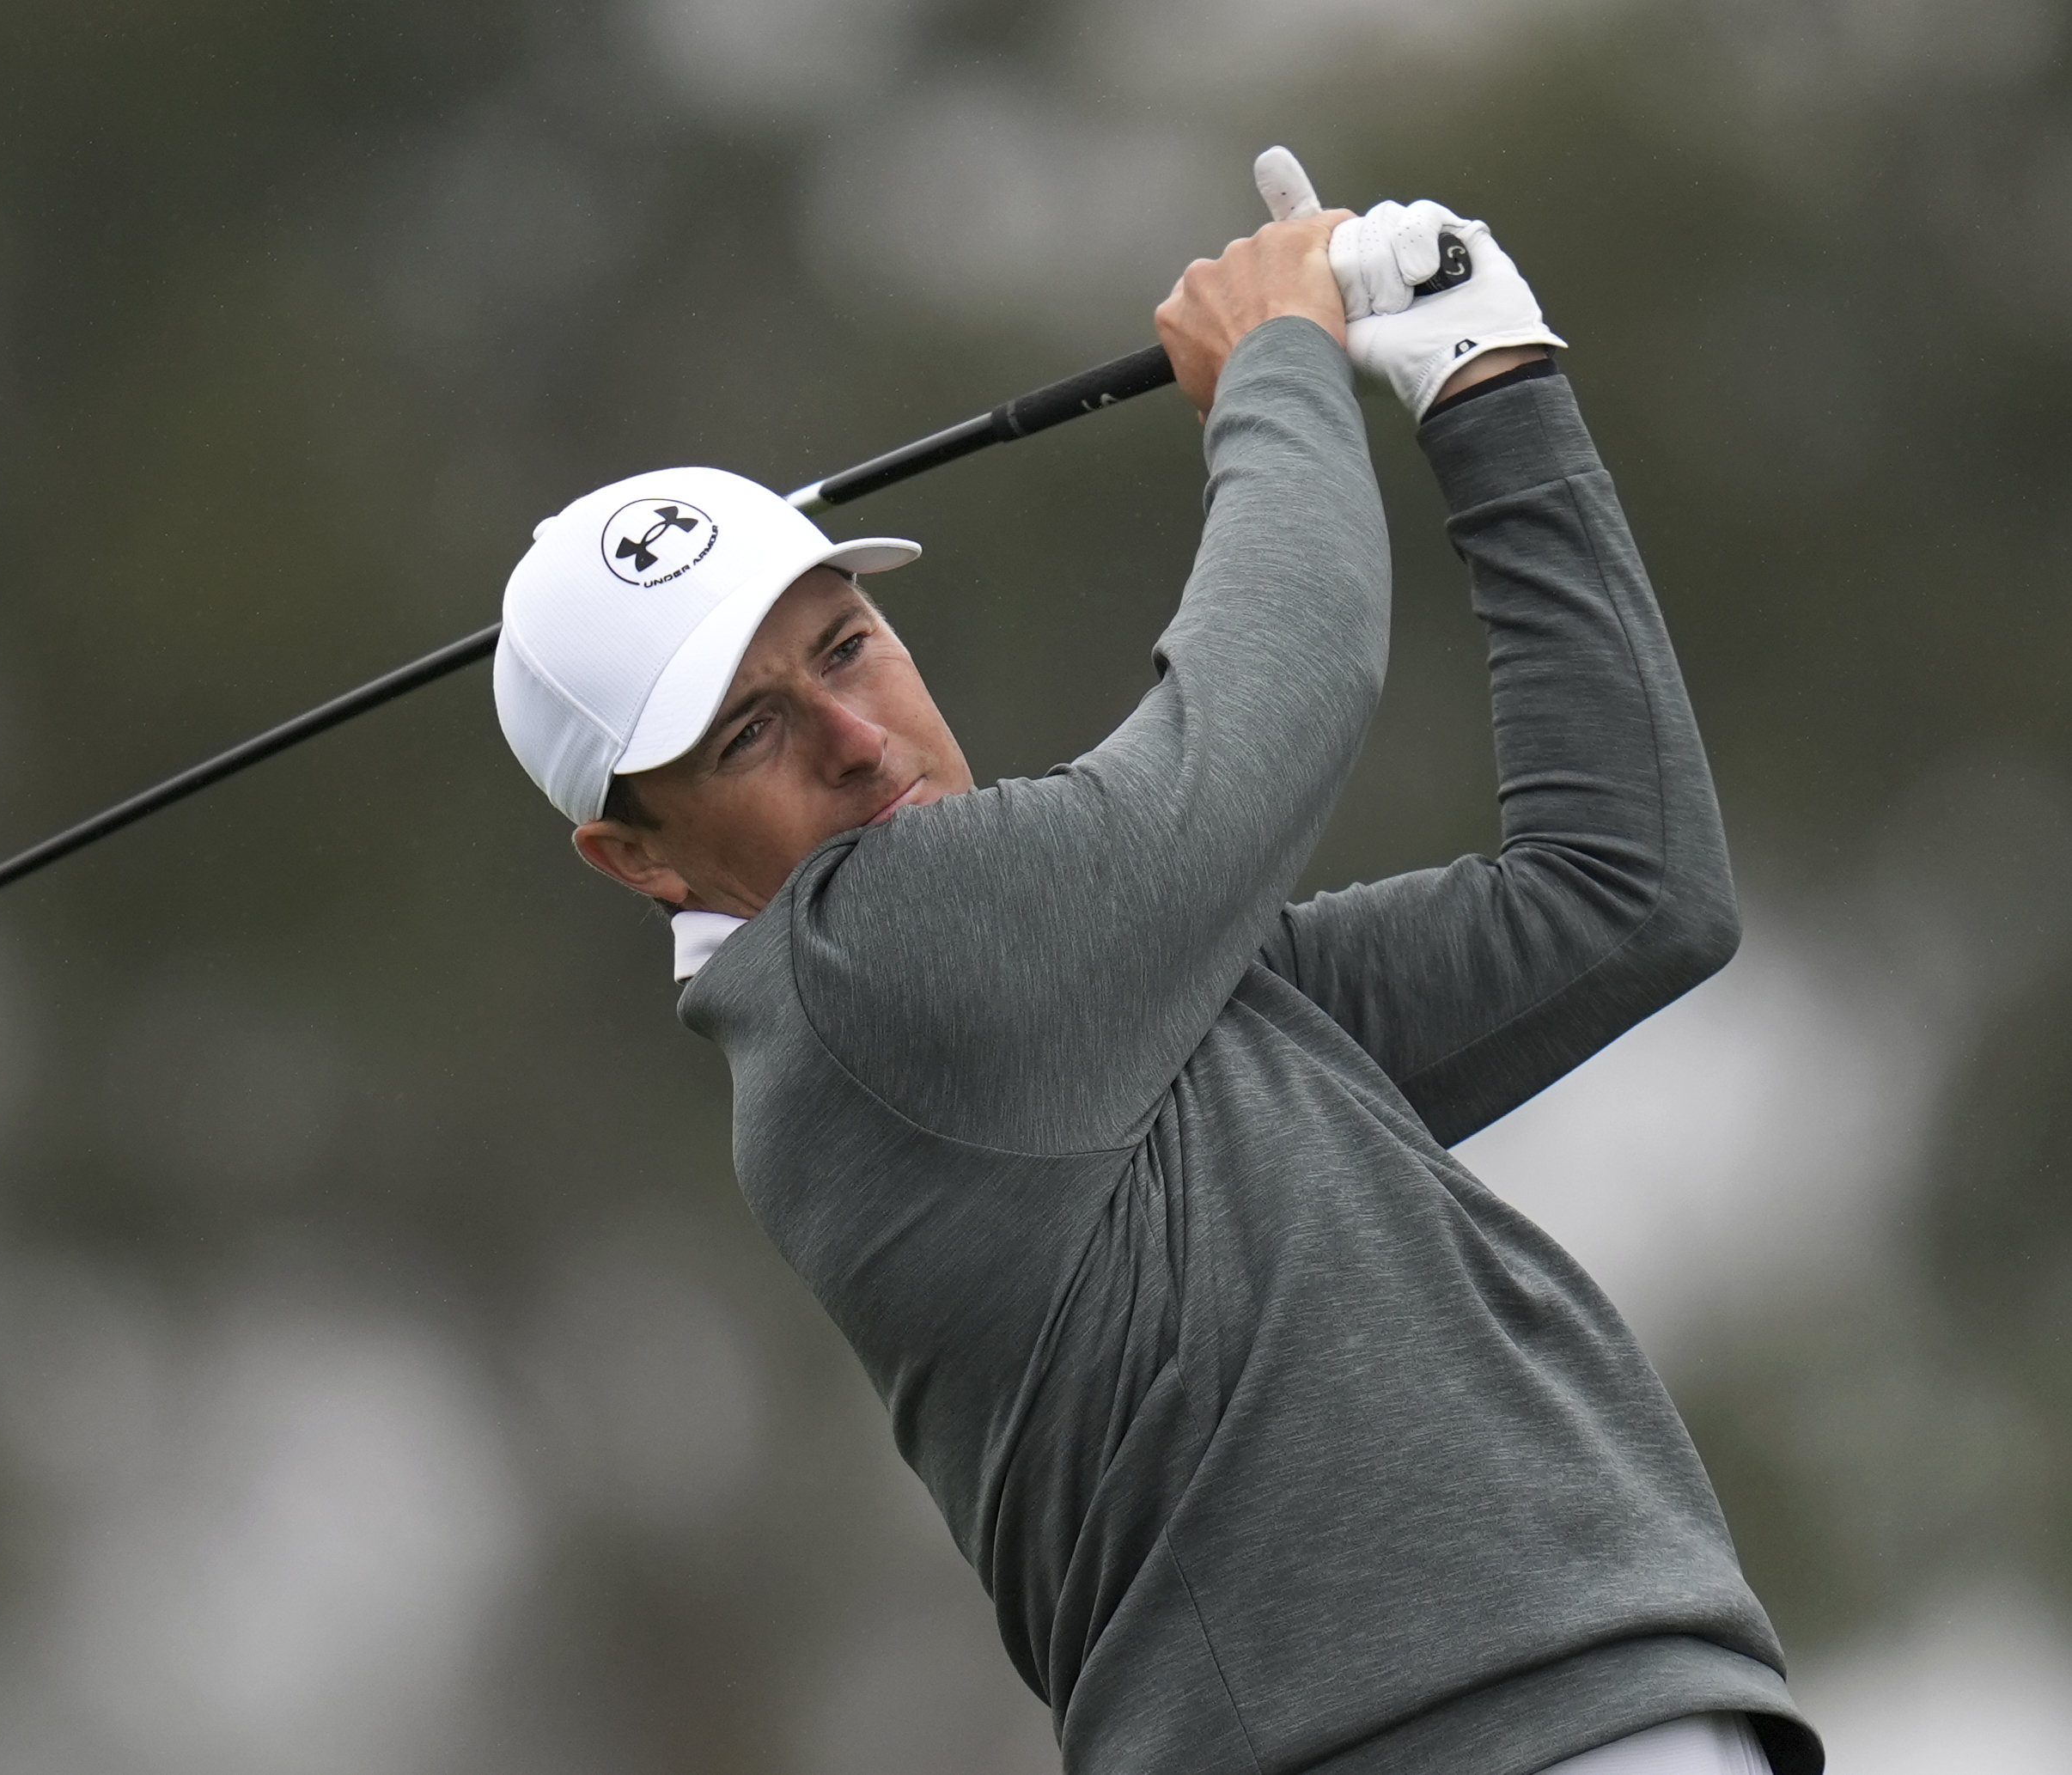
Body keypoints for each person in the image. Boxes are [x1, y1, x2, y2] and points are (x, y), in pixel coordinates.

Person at [490, 171, 1821, 1775]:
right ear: (639, 857)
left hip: (1586, 1715)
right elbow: (1290, 675)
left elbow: (1625, 893)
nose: (852, 740)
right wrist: (1276, 362)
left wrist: (1493, 387)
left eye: (844, 647)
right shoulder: (873, 970)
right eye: (749, 734)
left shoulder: (1115, 1002)